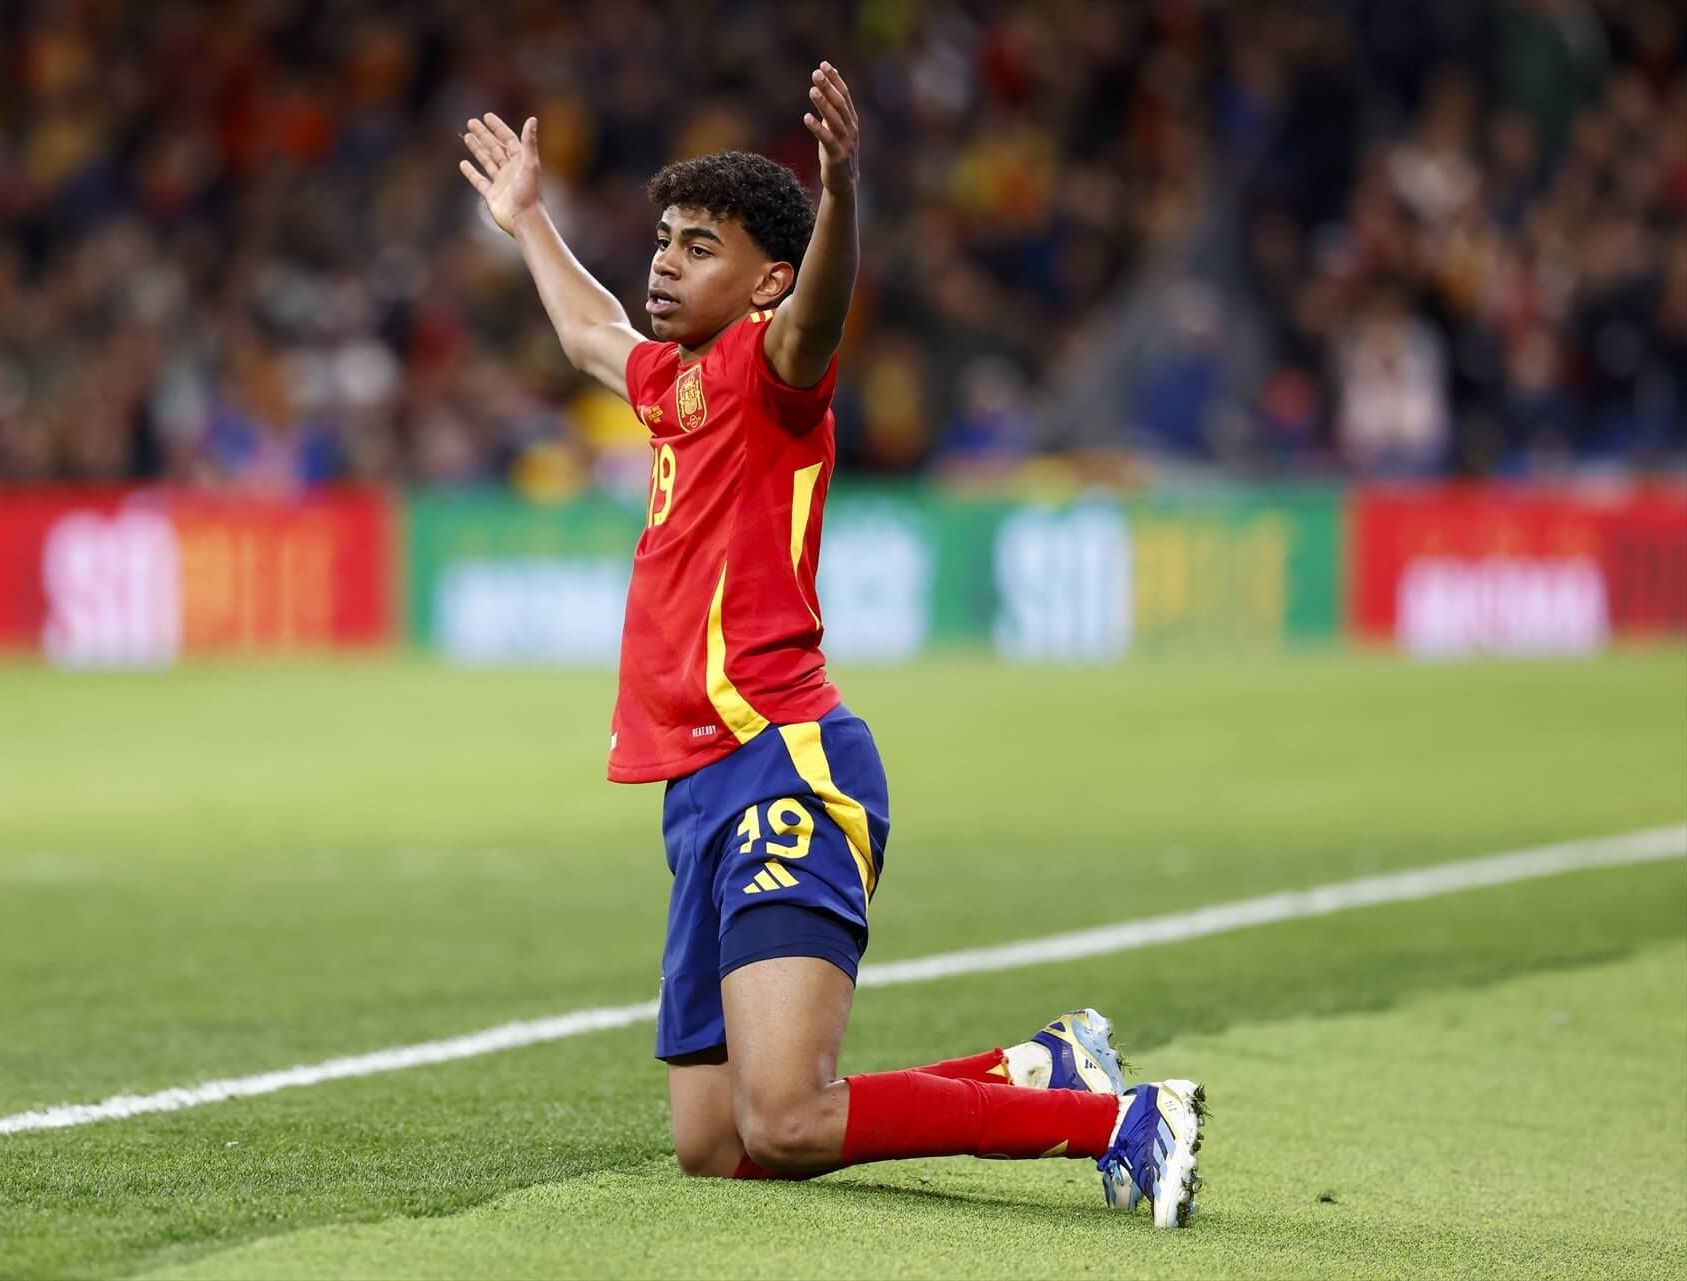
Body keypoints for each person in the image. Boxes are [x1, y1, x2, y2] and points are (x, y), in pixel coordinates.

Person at [458, 63, 1207, 1227]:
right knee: (717, 1144)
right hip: (698, 789)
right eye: (663, 238)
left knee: (789, 1116)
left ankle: (1120, 1121)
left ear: (764, 279)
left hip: (784, 761)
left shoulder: (774, 371)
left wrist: (844, 191)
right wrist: (528, 220)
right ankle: (1039, 1071)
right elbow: (592, 335)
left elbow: (822, 306)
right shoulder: (673, 385)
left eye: (697, 246)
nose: (663, 261)